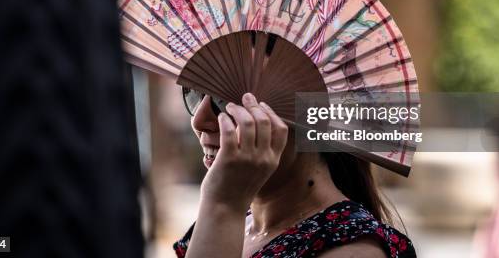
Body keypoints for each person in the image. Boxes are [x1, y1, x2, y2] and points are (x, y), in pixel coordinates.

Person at [173, 90, 416, 258]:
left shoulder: (354, 250)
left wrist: (223, 204)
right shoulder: (235, 220)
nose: (199, 119)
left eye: (224, 98)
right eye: (193, 91)